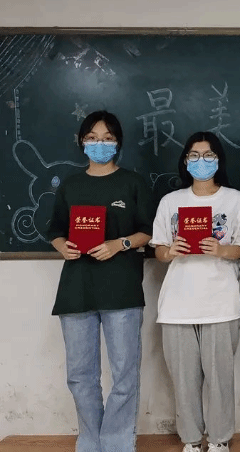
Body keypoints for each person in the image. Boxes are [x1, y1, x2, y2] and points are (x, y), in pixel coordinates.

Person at [48, 110, 153, 452]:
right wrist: (63, 246)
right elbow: (56, 230)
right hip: (76, 289)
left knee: (125, 374)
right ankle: (91, 442)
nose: (100, 144)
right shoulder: (71, 184)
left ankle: (118, 443)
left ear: (118, 142)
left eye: (107, 138)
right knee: (80, 376)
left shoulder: (133, 182)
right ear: (82, 142)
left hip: (121, 289)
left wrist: (119, 244)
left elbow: (147, 231)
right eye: (92, 138)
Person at [150, 132, 240, 453]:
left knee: (220, 378)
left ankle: (220, 439)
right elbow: (159, 249)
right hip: (177, 304)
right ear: (185, 161)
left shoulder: (234, 199)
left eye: (208, 155)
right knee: (184, 379)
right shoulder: (171, 202)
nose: (201, 161)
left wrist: (221, 250)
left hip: (220, 301)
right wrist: (171, 251)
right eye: (194, 155)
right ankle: (192, 441)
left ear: (219, 160)